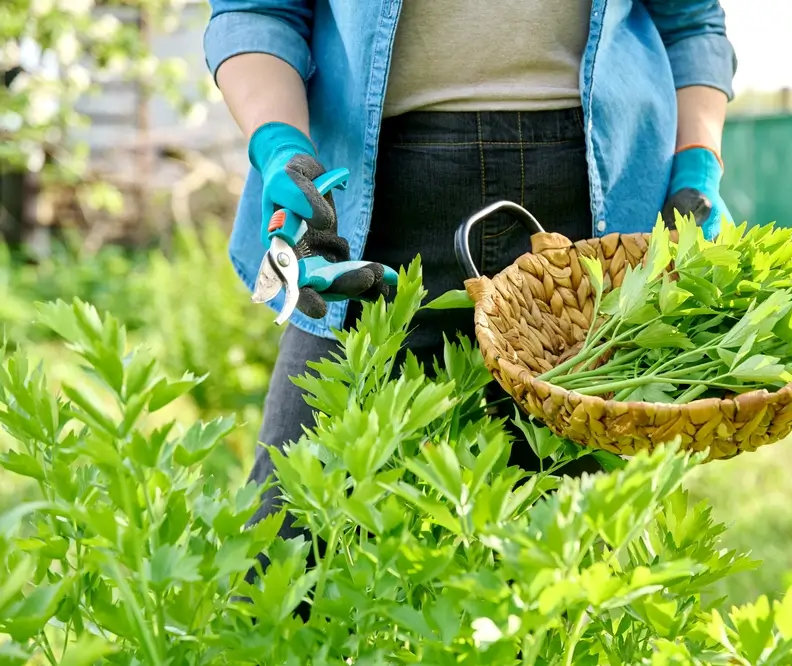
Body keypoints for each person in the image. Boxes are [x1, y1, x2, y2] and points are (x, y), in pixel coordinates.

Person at [204, 0, 737, 609]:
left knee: (562, 588)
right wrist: (278, 144)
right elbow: (258, 11)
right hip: (364, 205)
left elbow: (691, 19)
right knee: (285, 555)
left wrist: (698, 159)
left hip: (593, 222)